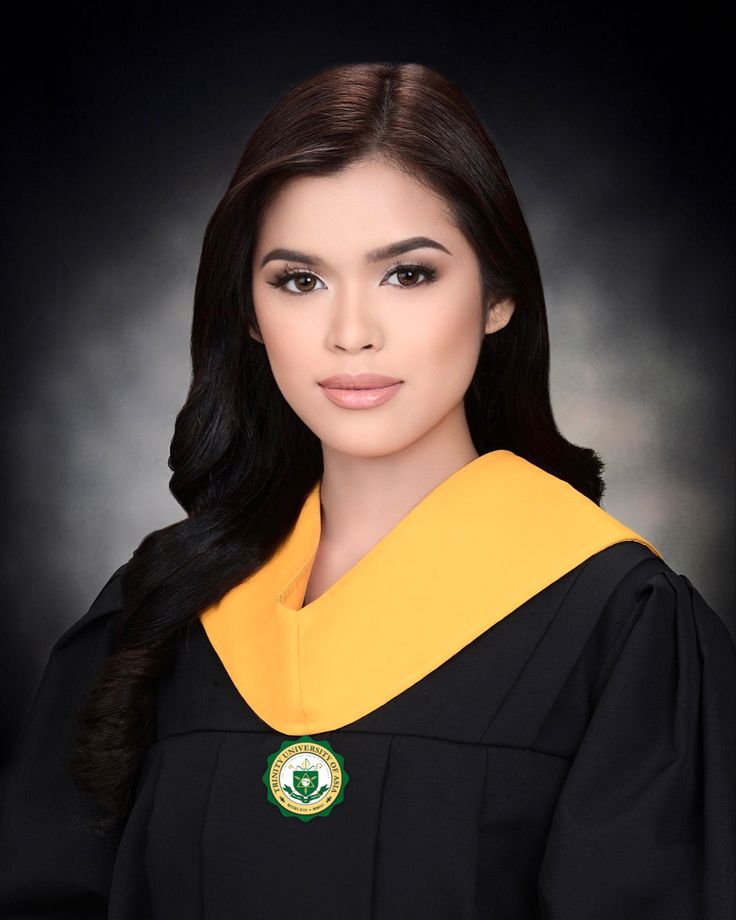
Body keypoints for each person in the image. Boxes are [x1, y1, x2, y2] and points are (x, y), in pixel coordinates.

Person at [0, 61, 733, 920]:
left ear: (498, 296)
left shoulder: (619, 624)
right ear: (247, 310)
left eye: (408, 274)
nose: (351, 334)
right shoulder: (158, 610)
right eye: (299, 281)